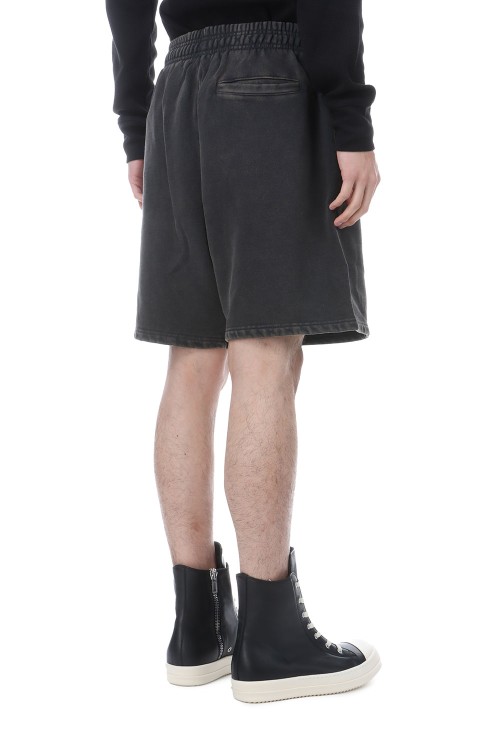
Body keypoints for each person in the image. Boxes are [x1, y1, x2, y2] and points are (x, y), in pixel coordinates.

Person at [105, 0, 382, 703]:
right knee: (266, 349)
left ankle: (198, 625)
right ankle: (273, 636)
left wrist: (138, 124)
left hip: (178, 94)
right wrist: (351, 121)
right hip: (269, 83)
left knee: (193, 359)